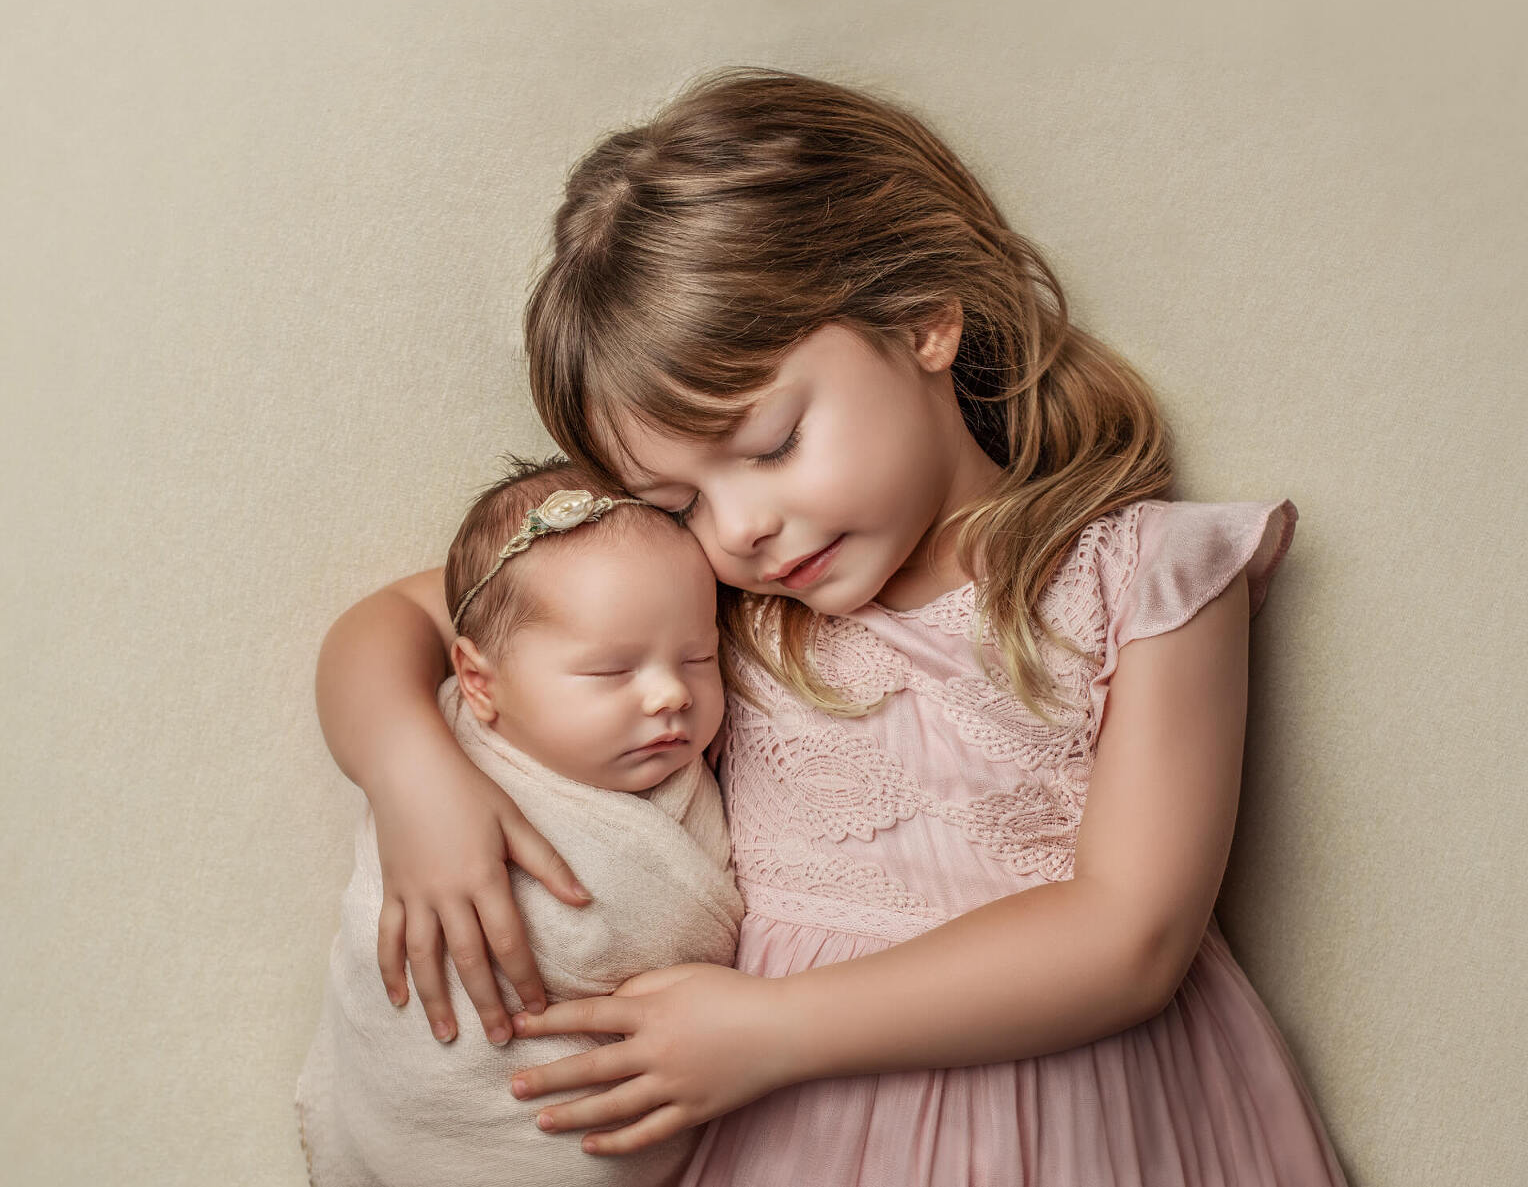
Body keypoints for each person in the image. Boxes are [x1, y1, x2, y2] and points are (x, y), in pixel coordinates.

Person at [315, 67, 1350, 1185]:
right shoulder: (714, 596)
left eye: (769, 445)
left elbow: (1129, 938)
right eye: (678, 502)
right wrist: (410, 773)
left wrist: (771, 1032)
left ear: (924, 320)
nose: (742, 526)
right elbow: (391, 626)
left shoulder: (1138, 578)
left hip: (1063, 1125)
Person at [298, 456, 743, 1187]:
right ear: (478, 682)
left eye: (699, 657)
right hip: (441, 1101)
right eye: (612, 671)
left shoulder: (685, 781)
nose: (673, 694)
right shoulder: (444, 744)